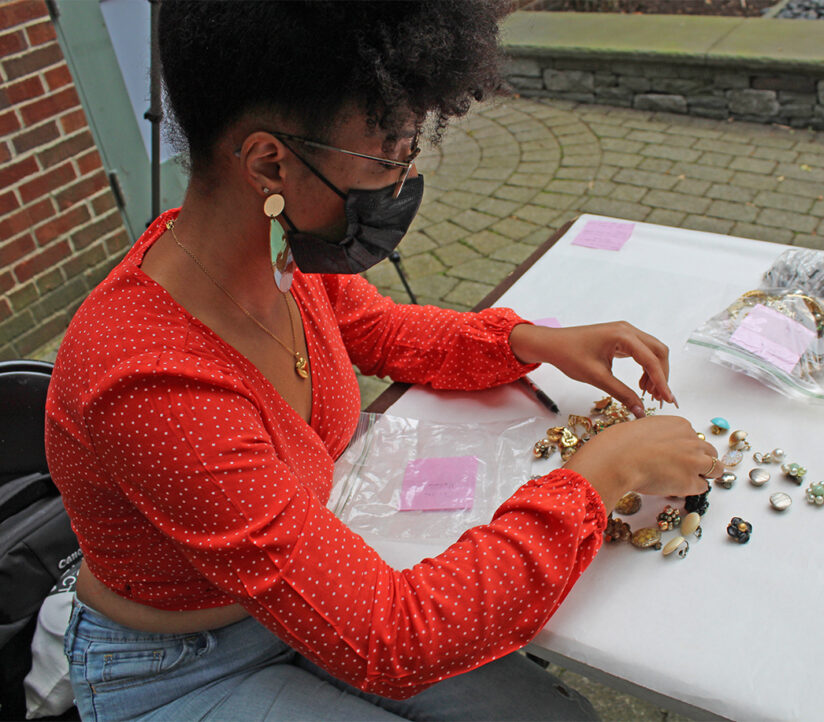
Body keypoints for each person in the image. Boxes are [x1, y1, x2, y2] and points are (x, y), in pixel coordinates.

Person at [45, 2, 720, 720]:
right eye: (389, 154)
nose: (404, 179)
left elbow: (388, 332)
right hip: (181, 667)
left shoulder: (277, 255)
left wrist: (528, 343)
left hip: (288, 602)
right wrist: (603, 475)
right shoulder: (149, 384)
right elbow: (393, 640)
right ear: (270, 162)